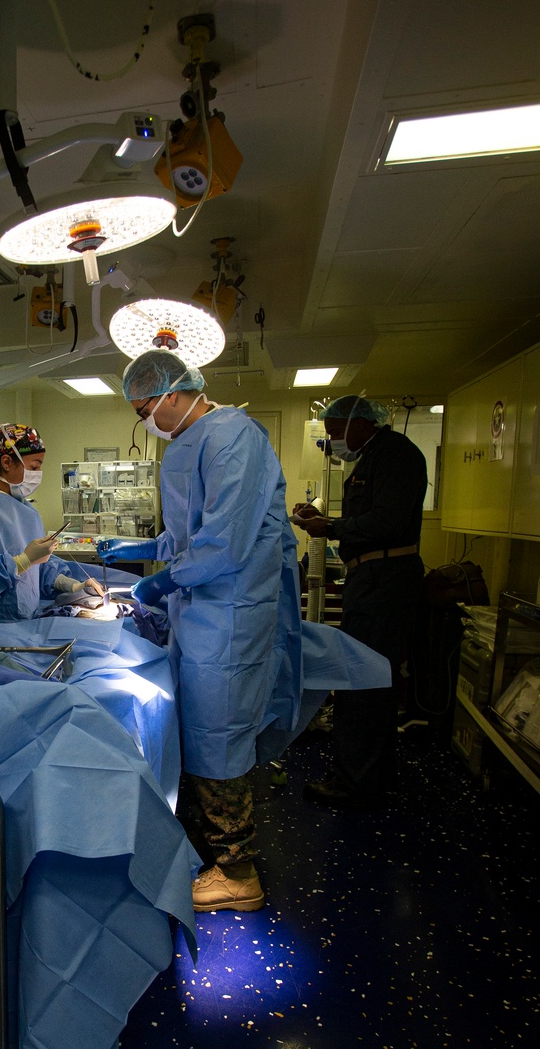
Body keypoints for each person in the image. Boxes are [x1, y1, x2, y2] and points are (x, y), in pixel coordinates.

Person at [98, 352, 302, 915]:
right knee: (202, 724)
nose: (146, 422)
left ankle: (238, 872)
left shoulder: (232, 436)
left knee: (221, 728)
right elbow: (192, 534)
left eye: (145, 409)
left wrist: (161, 582)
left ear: (174, 393)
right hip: (205, 611)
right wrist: (150, 549)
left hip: (231, 613)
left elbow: (225, 543)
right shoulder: (189, 444)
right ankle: (211, 844)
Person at [292, 394, 427, 806]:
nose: (332, 443)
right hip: (370, 577)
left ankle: (355, 782)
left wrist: (330, 526)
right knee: (370, 677)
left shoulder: (396, 455)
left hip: (384, 580)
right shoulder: (371, 458)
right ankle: (370, 773)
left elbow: (388, 520)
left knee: (363, 680)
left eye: (334, 433)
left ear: (362, 424)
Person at [0, 423, 103, 624]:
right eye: (34, 466)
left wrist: (72, 586)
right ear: (6, 462)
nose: (39, 473)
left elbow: (36, 571)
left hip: (25, 625)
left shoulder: (27, 511)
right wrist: (22, 561)